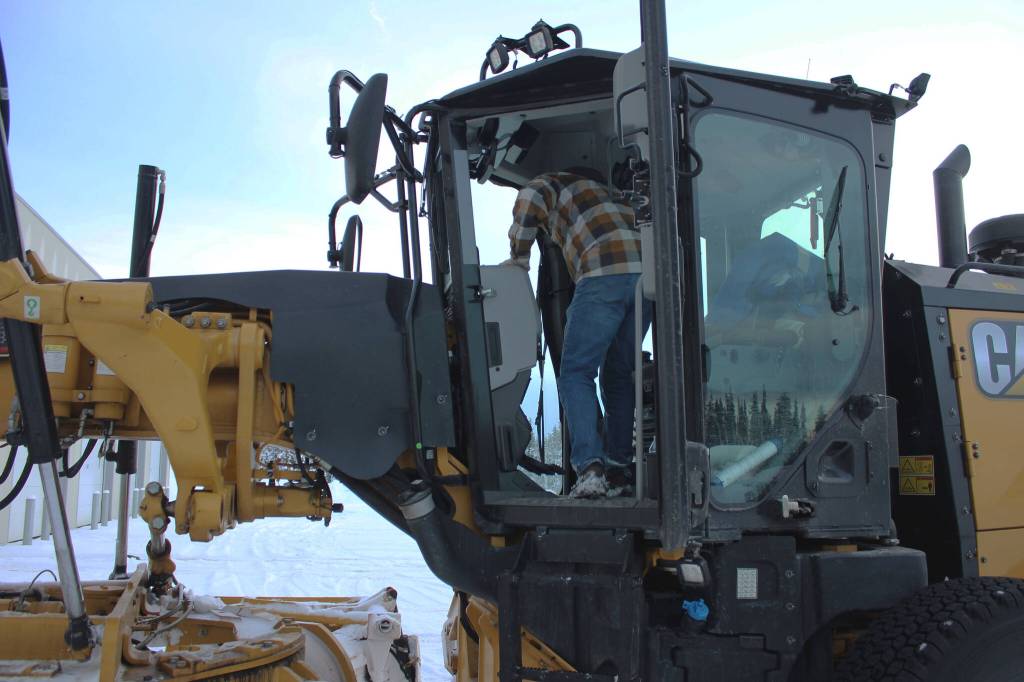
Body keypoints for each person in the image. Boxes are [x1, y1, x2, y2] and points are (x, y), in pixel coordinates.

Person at [504, 167, 650, 498]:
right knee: (619, 375)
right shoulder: (610, 197)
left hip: (602, 275)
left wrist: (519, 258)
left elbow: (530, 196)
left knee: (575, 373)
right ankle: (619, 470)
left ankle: (590, 469)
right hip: (647, 282)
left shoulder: (551, 181)